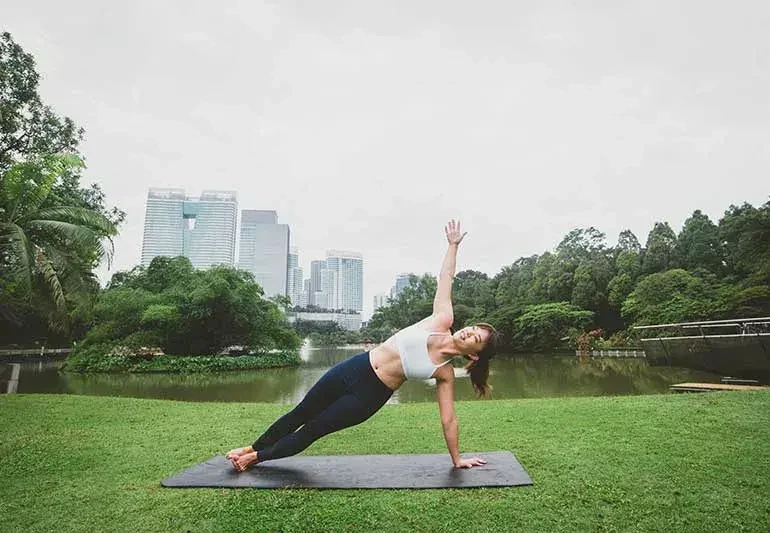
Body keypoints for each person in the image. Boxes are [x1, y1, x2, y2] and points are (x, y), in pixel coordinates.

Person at [227, 219, 499, 471]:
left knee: (314, 429)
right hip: (355, 367)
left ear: (474, 357)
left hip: (369, 396)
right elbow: (446, 279)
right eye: (473, 328)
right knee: (300, 412)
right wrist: (452, 246)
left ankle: (254, 458)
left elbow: (448, 419)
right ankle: (252, 446)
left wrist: (457, 459)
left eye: (475, 339)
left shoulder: (445, 372)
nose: (468, 333)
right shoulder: (442, 319)